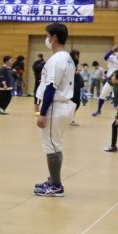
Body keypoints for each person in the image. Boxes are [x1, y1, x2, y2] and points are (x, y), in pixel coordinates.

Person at [34, 23, 75, 197]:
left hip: (56, 107)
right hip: (64, 105)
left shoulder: (57, 59)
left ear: (54, 37)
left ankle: (57, 186)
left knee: (52, 146)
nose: (47, 39)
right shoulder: (67, 58)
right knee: (54, 144)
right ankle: (53, 180)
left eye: (48, 35)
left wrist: (42, 113)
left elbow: (51, 87)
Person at [69, 50, 83, 126]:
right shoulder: (71, 62)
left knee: (76, 103)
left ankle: (70, 119)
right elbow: (70, 73)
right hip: (73, 85)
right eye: (78, 54)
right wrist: (78, 71)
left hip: (76, 85)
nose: (79, 56)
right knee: (74, 103)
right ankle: (70, 119)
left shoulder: (75, 62)